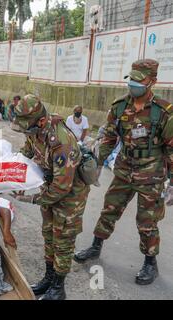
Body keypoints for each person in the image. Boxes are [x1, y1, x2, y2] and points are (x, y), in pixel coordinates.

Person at [74, 59, 173, 285]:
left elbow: (172, 148)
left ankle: (150, 263)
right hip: (124, 169)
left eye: (140, 81)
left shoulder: (164, 112)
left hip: (152, 174)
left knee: (147, 220)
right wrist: (96, 166)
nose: (134, 85)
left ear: (153, 82)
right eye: (132, 80)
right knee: (109, 208)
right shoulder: (119, 106)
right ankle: (96, 246)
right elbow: (109, 137)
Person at [13, 94, 91, 300]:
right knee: (48, 234)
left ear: (40, 121)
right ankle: (49, 278)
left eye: (28, 128)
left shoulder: (62, 141)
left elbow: (62, 187)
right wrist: (13, 177)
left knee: (63, 240)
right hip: (50, 189)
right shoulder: (35, 131)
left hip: (69, 197)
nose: (26, 132)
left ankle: (59, 287)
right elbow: (25, 154)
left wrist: (32, 199)